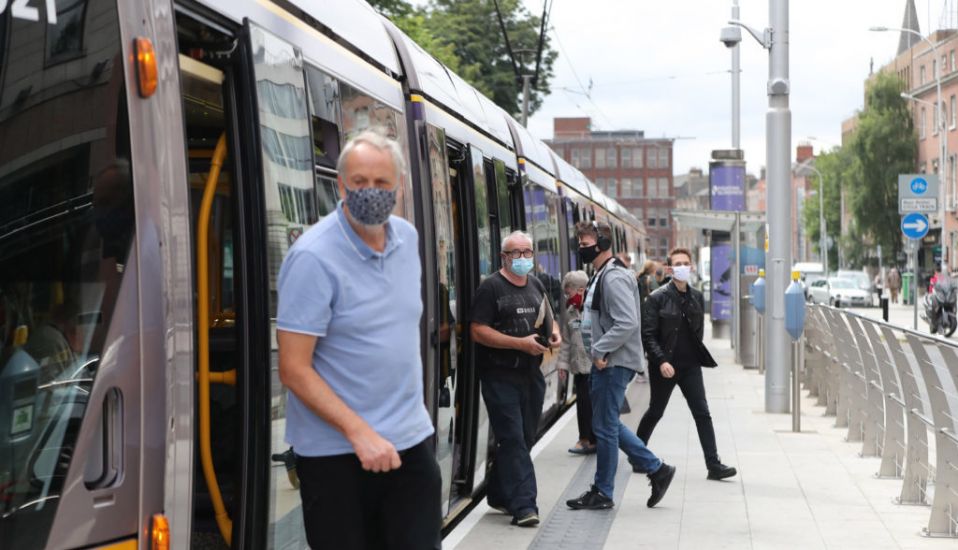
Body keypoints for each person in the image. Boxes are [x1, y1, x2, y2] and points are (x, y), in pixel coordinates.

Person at [276, 131, 441, 550]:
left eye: (382, 183)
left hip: (410, 444)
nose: (371, 192)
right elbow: (294, 368)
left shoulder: (409, 241)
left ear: (399, 186)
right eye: (359, 182)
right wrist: (359, 431)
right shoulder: (312, 257)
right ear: (340, 185)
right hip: (337, 457)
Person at [566, 221, 675, 511]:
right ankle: (657, 470)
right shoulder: (602, 274)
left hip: (611, 363)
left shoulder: (613, 277)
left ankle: (606, 490)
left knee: (604, 429)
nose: (581, 249)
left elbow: (627, 322)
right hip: (606, 361)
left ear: (602, 244)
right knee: (607, 424)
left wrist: (600, 348)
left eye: (586, 244)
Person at [470, 230, 562, 528]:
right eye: (516, 253)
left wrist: (555, 331)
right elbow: (478, 330)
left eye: (527, 252)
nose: (523, 258)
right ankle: (525, 506)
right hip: (499, 375)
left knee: (524, 438)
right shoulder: (490, 288)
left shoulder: (535, 283)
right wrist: (519, 343)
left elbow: (548, 315)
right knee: (512, 439)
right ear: (504, 257)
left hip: (531, 374)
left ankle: (498, 493)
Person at [637, 247, 737, 481]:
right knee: (655, 411)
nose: (682, 267)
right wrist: (661, 360)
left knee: (702, 413)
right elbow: (648, 334)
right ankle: (637, 454)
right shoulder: (657, 298)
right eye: (677, 264)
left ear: (692, 267)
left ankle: (714, 465)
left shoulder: (697, 297)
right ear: (670, 269)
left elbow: (697, 332)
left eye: (686, 263)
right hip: (665, 367)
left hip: (690, 367)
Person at [557, 270, 595, 455]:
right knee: (583, 406)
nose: (567, 296)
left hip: (596, 367)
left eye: (568, 292)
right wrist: (562, 366)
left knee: (593, 406)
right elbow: (565, 341)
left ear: (581, 290)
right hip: (579, 368)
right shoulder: (570, 313)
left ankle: (593, 440)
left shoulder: (595, 309)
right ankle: (585, 439)